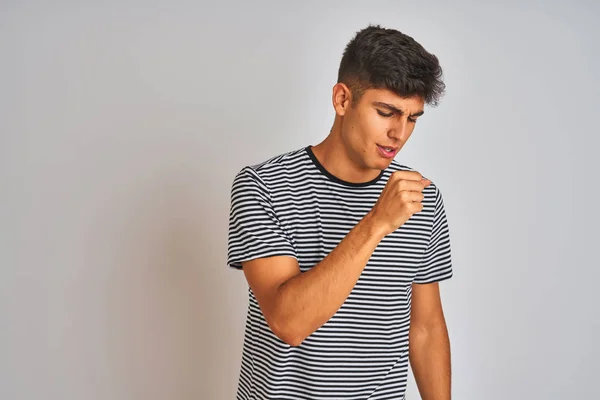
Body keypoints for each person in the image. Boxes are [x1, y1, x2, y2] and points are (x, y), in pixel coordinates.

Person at [227, 24, 453, 400]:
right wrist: (377, 223)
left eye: (412, 118)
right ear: (343, 100)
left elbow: (425, 326)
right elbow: (289, 322)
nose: (399, 133)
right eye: (386, 112)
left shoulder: (419, 197)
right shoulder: (263, 186)